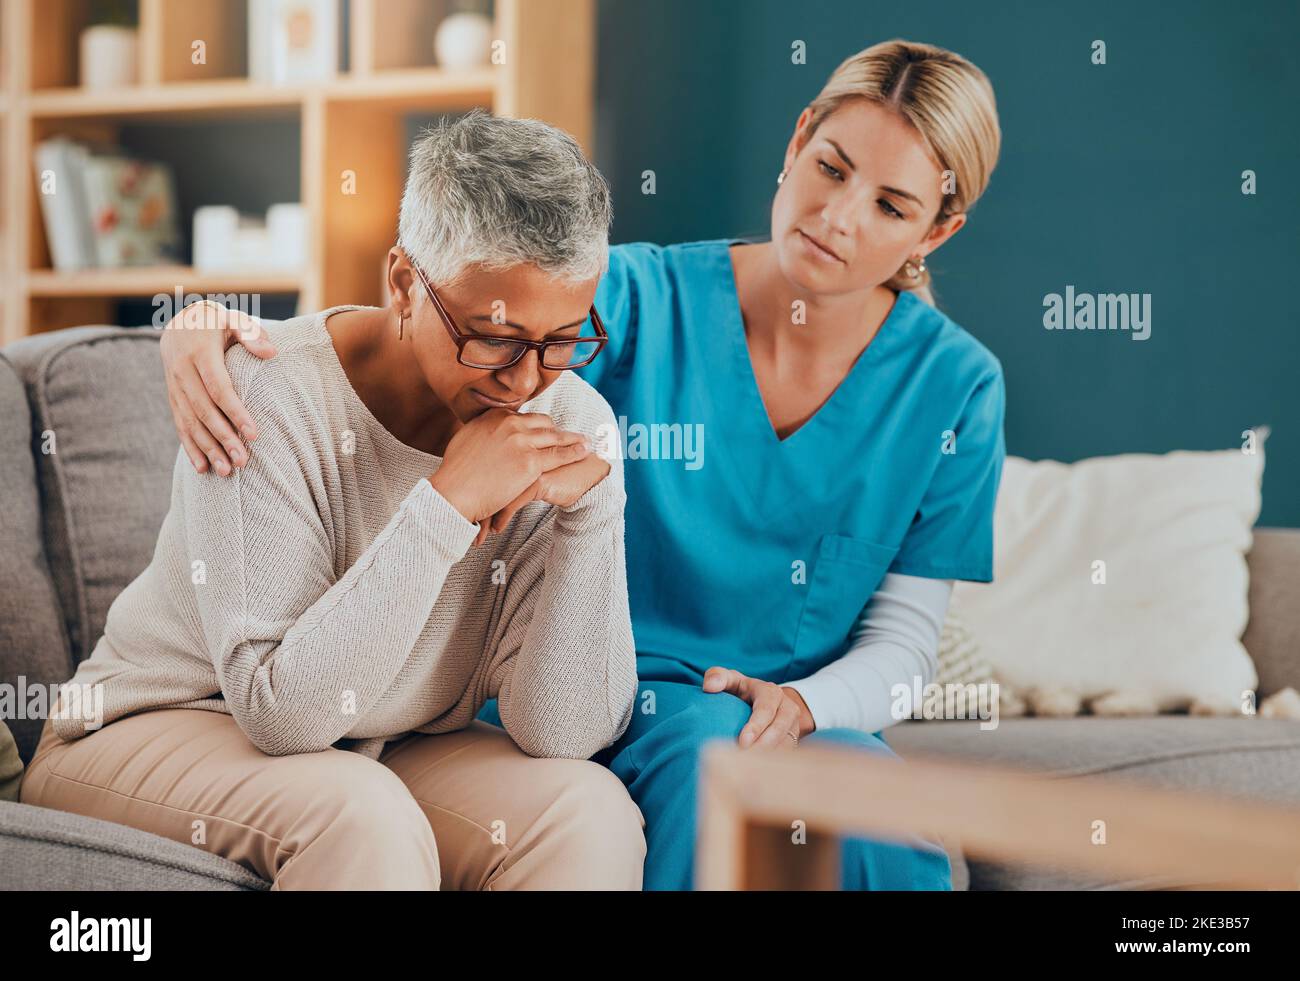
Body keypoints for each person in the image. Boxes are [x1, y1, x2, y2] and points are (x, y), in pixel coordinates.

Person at [156, 39, 1006, 890]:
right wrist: (205, 328)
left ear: (937, 229)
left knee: (878, 814)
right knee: (724, 778)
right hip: (620, 689)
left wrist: (812, 705)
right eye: (831, 168)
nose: (841, 215)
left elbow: (905, 642)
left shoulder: (957, 386)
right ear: (797, 142)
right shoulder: (633, 297)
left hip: (800, 712)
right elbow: (441, 317)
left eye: (892, 205)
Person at [21, 112, 645, 890]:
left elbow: (564, 732)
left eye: (560, 340)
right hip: (156, 724)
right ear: (405, 284)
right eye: (495, 337)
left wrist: (590, 515)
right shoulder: (263, 391)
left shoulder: (567, 421)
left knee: (587, 810)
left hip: (374, 745)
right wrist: (445, 505)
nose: (525, 380)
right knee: (363, 817)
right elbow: (279, 710)